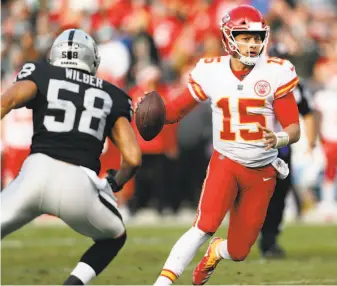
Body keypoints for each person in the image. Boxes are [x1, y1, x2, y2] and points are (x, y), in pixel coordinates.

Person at [142, 5, 301, 285]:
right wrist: (152, 114)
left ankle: (217, 250)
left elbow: (294, 128)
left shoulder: (277, 71)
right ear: (229, 37)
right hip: (225, 161)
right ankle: (162, 283)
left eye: (256, 37)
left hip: (262, 171)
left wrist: (279, 138)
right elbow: (177, 110)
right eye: (245, 37)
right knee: (204, 225)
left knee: (239, 251)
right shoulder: (210, 70)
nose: (252, 44)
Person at [0, 29, 142, 285]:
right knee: (115, 235)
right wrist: (115, 183)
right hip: (79, 184)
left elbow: (7, 101)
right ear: (92, 60)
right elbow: (133, 158)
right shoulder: (113, 94)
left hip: (34, 174)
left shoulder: (41, 72)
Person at [259, 43, 317, 258]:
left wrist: (311, 142)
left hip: (281, 147)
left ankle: (269, 239)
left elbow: (308, 112)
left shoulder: (293, 85)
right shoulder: (254, 82)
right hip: (253, 147)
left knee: (279, 196)